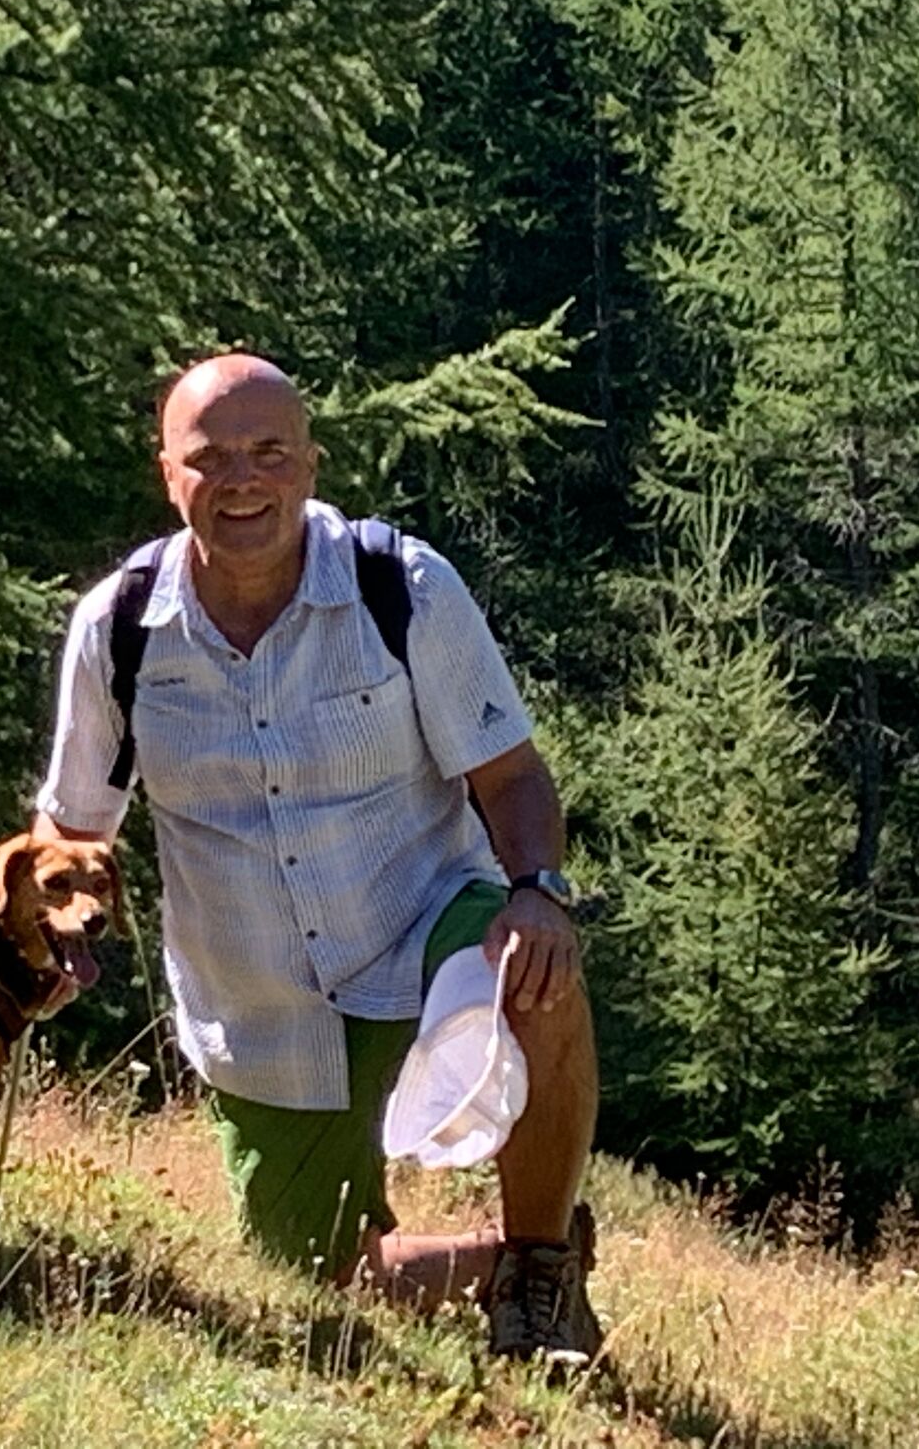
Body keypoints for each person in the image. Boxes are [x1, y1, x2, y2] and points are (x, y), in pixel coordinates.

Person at [31, 353, 602, 1364]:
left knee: (537, 970)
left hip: (426, 928)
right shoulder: (119, 628)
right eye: (211, 458)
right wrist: (9, 950)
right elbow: (73, 828)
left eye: (269, 452)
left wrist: (538, 892)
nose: (242, 481)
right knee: (313, 1276)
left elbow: (511, 773)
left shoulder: (401, 586)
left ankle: (542, 1274)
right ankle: (497, 1260)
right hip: (261, 1008)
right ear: (168, 474)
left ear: (310, 464)